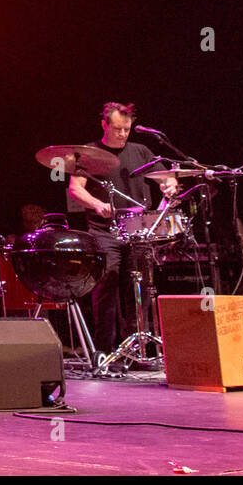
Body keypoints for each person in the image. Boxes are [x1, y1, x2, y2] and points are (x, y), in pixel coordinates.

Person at [65, 102, 165, 353]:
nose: (122, 134)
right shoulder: (90, 153)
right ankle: (105, 352)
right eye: (117, 129)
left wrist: (170, 184)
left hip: (137, 231)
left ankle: (136, 351)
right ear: (104, 124)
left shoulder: (141, 151)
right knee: (105, 291)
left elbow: (166, 177)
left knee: (138, 292)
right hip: (104, 231)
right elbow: (75, 189)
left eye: (127, 129)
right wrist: (97, 204)